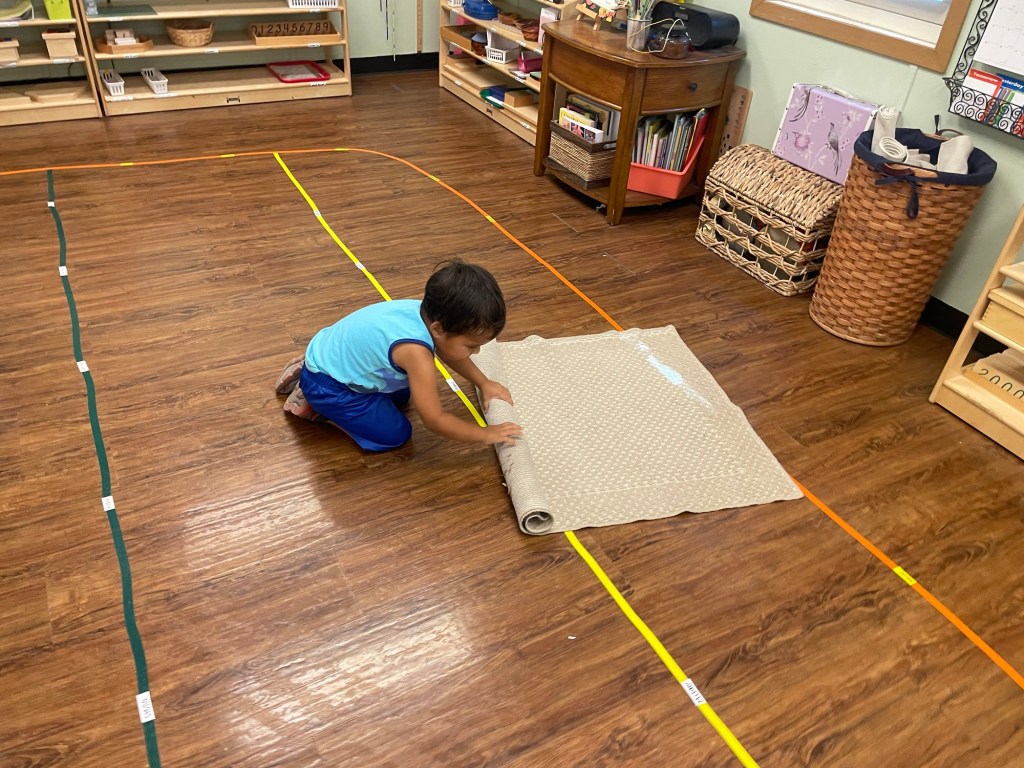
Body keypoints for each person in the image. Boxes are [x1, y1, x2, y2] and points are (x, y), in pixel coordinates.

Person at [274, 260, 522, 452]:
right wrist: (485, 434)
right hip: (330, 387)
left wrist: (484, 383)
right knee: (395, 435)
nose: (476, 352)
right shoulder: (416, 352)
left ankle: (314, 376)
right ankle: (315, 405)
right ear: (438, 329)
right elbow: (434, 420)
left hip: (328, 353)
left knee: (404, 397)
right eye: (471, 346)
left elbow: (451, 353)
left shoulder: (427, 314)